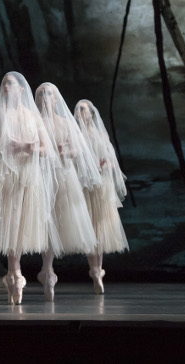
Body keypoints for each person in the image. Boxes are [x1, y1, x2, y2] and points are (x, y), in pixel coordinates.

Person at [0, 72, 58, 305]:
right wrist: (9, 147)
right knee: (10, 221)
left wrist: (26, 147)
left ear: (21, 88)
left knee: (21, 221)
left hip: (27, 176)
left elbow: (45, 149)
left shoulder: (32, 115)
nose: (5, 87)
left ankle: (15, 274)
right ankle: (14, 271)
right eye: (3, 84)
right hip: (6, 176)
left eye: (10, 83)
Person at [34, 83, 98, 300]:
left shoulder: (64, 122)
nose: (44, 96)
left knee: (59, 219)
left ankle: (48, 271)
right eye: (41, 93)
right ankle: (48, 270)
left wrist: (66, 151)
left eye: (48, 93)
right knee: (45, 220)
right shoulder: (34, 121)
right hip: (41, 176)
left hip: (63, 175)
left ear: (55, 99)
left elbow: (79, 148)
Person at [74, 99, 129, 294]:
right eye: (78, 109)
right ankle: (95, 270)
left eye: (83, 110)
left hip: (102, 186)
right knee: (91, 227)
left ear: (91, 114)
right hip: (86, 186)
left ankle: (97, 270)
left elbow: (113, 164)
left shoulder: (100, 135)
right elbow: (75, 162)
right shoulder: (77, 136)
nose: (80, 112)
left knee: (101, 227)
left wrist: (104, 165)